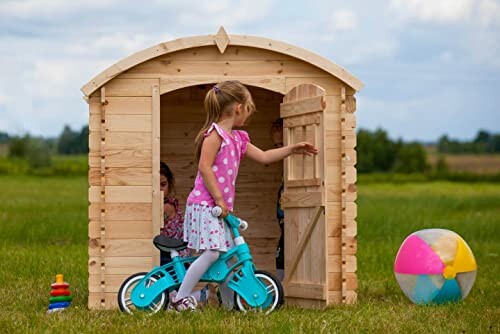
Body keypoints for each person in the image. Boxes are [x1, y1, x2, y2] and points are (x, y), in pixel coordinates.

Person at [170, 80, 318, 312]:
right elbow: (204, 166)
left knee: (228, 258)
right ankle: (181, 297)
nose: (250, 113)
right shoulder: (214, 135)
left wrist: (292, 148)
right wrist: (219, 198)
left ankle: (230, 306)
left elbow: (265, 156)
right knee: (212, 253)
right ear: (239, 107)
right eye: (249, 108)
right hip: (205, 205)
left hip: (220, 209)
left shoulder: (238, 138)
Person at [159, 161, 208, 304]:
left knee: (170, 289)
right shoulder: (170, 203)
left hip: (174, 256)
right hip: (176, 253)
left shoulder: (165, 207)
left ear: (170, 184)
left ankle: (200, 296)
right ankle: (201, 296)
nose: (160, 190)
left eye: (163, 185)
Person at [270, 118, 285, 281]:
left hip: (291, 223)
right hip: (283, 224)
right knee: (280, 256)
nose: (279, 150)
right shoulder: (284, 170)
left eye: (282, 145)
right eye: (276, 146)